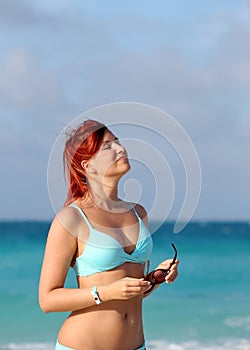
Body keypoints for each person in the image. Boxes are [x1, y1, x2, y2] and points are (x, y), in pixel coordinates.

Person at [39, 119, 179, 350]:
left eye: (118, 142)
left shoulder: (138, 213)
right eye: (108, 146)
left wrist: (155, 279)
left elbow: (131, 293)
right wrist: (105, 292)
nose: (120, 148)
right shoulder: (71, 219)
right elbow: (47, 299)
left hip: (136, 345)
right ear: (88, 166)